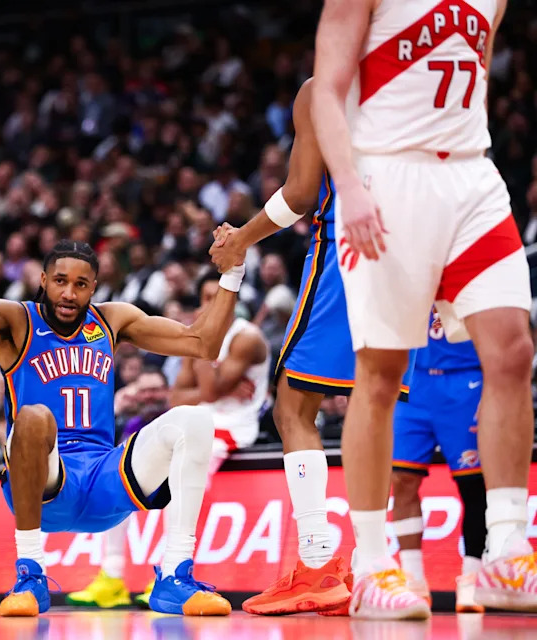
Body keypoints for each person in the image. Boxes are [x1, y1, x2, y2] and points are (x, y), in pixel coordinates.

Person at [313, 0, 536, 617]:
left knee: (513, 351)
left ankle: (507, 551)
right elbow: (325, 90)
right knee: (381, 373)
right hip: (387, 176)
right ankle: (370, 565)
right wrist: (349, 183)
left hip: (471, 178)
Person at [0, 229, 245, 617]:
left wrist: (232, 273)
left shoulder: (111, 319)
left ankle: (175, 576)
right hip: (47, 485)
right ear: (43, 280)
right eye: (60, 281)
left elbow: (203, 343)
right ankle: (30, 574)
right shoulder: (15, 318)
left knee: (196, 419)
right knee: (33, 416)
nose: (69, 293)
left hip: (105, 478)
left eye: (81, 284)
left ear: (94, 287)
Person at [209, 78, 364, 616]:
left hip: (349, 246)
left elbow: (300, 193)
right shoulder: (410, 78)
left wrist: (240, 239)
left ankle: (317, 563)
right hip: (416, 251)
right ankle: (374, 566)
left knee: (294, 405)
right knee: (380, 404)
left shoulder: (323, 89)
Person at [66, 272, 268, 610]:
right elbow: (177, 397)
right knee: (121, 467)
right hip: (194, 419)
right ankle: (111, 576)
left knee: (179, 478)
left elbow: (206, 392)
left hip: (231, 428)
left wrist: (204, 356)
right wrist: (215, 380)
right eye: (206, 298)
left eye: (217, 297)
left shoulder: (247, 339)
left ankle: (169, 572)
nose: (210, 304)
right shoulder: (199, 334)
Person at [391, 311, 486, 613]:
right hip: (413, 380)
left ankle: (471, 579)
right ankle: (413, 581)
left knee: (473, 485)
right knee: (401, 478)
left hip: (466, 377)